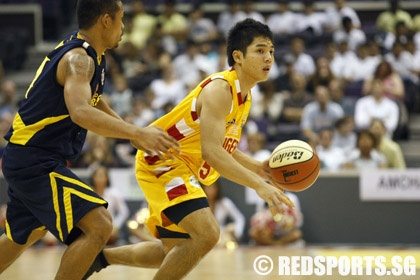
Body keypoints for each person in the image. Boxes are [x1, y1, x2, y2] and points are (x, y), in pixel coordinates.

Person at [84, 18, 294, 280]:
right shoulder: (221, 90)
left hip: (179, 164)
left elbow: (221, 147)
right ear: (238, 56)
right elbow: (212, 154)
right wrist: (258, 184)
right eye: (260, 50)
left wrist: (260, 168)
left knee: (175, 251)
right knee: (207, 234)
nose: (269, 58)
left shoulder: (245, 95)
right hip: (163, 160)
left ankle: (101, 257)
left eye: (271, 51)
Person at [0, 1, 179, 279]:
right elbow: (81, 111)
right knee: (98, 225)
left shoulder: (91, 54)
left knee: (20, 236)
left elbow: (92, 101)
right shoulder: (78, 60)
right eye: (121, 20)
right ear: (105, 21)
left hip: (30, 156)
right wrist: (136, 132)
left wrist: (128, 130)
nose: (124, 28)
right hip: (35, 159)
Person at [90, 165, 130, 245]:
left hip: (109, 226)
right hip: (91, 227)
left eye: (102, 176)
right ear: (93, 178)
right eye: (97, 176)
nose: (99, 179)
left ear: (107, 178)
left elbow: (124, 212)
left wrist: (116, 226)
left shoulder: (114, 193)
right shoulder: (88, 193)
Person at [203, 180, 245, 247]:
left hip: (222, 235)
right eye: (207, 187)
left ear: (217, 188)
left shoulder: (224, 203)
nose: (210, 190)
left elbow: (239, 218)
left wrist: (237, 233)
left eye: (212, 187)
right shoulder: (200, 205)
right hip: (205, 237)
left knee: (230, 230)